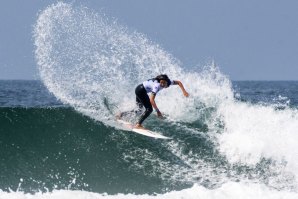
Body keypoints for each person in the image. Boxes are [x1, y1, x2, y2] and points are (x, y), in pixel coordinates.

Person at [118, 74, 189, 129]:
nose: (162, 84)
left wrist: (184, 91)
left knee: (139, 110)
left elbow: (179, 82)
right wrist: (158, 111)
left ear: (167, 81)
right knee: (149, 109)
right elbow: (151, 100)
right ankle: (138, 124)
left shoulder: (169, 82)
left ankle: (121, 115)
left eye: (164, 83)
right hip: (141, 91)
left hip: (139, 88)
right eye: (161, 82)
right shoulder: (156, 86)